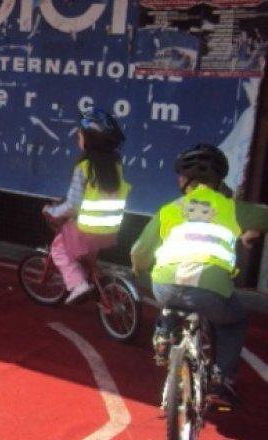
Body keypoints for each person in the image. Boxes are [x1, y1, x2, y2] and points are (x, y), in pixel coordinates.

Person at [131, 143, 268, 409]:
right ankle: (221, 382)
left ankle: (164, 332)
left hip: (165, 284)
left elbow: (139, 251)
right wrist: (252, 230)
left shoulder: (169, 209)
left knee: (173, 300)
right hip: (211, 290)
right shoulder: (232, 208)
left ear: (185, 180)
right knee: (234, 322)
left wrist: (139, 268)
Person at [42, 108, 129, 302]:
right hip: (109, 230)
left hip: (85, 229)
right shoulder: (116, 166)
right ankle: (95, 282)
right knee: (87, 256)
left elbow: (73, 204)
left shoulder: (84, 167)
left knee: (59, 249)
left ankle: (78, 284)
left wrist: (52, 211)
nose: (78, 139)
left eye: (80, 135)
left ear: (89, 139)